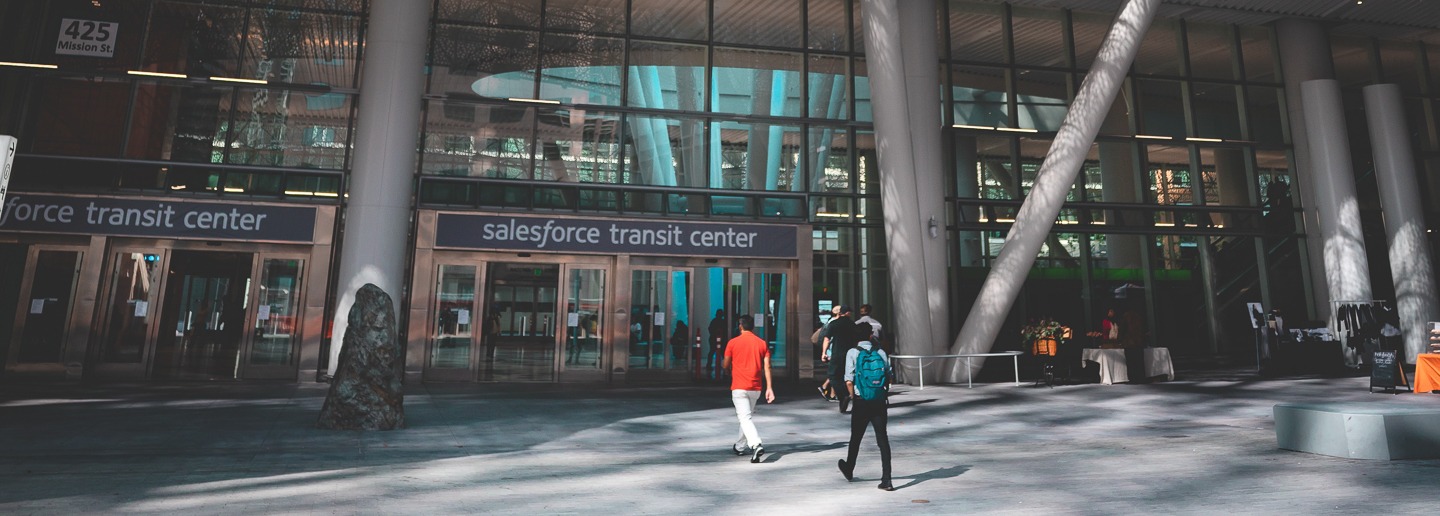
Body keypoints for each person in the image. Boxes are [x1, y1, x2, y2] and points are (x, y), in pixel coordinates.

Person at [838, 322, 894, 491]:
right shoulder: (881, 353)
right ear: (871, 335)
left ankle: (849, 468)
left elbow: (849, 379)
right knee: (882, 439)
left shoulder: (853, 353)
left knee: (856, 437)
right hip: (878, 400)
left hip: (861, 401)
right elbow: (889, 375)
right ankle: (887, 479)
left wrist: (853, 395)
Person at [723, 315, 774, 463]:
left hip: (739, 386)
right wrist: (769, 387)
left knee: (745, 418)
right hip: (756, 387)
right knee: (746, 417)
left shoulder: (733, 343)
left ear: (740, 326)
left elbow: (725, 365)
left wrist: (728, 371)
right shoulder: (762, 343)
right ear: (753, 326)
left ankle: (756, 444)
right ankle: (739, 446)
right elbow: (767, 367)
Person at [821, 305, 860, 413]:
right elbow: (857, 339)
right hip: (850, 354)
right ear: (847, 313)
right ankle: (848, 397)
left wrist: (824, 353)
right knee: (848, 376)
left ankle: (843, 395)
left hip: (837, 354)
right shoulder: (852, 325)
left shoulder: (833, 324)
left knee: (833, 376)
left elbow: (826, 339)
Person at [706, 309, 728, 379]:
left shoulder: (714, 321)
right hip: (720, 340)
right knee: (722, 353)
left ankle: (709, 365)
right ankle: (725, 366)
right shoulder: (723, 322)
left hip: (713, 339)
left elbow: (710, 329)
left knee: (712, 352)